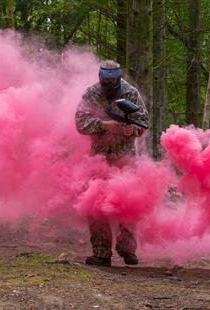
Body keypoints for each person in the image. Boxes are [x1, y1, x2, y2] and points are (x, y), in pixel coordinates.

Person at [75, 60, 149, 267]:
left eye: (112, 80)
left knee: (127, 201)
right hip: (99, 157)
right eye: (104, 80)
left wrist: (131, 130)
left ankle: (127, 249)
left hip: (125, 156)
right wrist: (104, 125)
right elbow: (80, 123)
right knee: (95, 202)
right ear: (100, 77)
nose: (108, 84)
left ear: (118, 78)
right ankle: (101, 252)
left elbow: (143, 121)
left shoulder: (130, 93)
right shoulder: (91, 94)